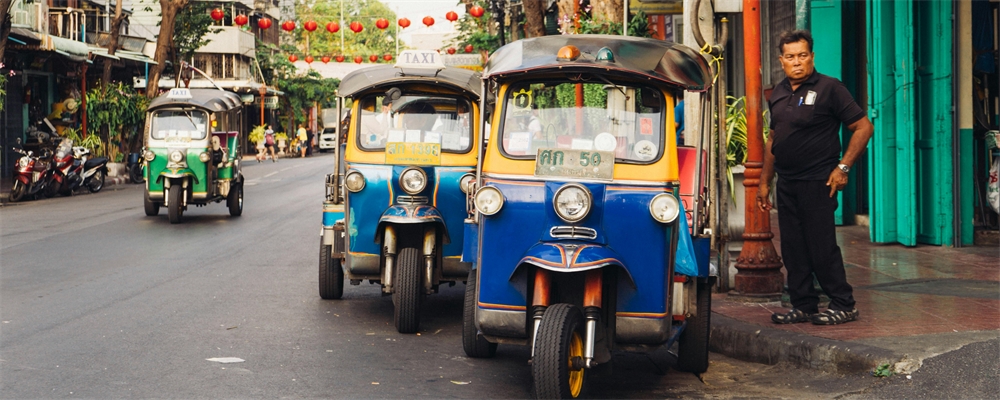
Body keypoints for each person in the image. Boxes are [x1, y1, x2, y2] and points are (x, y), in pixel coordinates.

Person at [757, 30, 874, 326]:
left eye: (802, 55)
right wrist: (764, 182)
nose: (797, 62)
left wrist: (843, 168)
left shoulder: (830, 88)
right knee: (793, 248)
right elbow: (773, 139)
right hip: (787, 182)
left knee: (821, 246)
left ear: (812, 57)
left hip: (819, 181)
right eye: (791, 57)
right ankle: (804, 305)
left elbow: (863, 127)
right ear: (781, 60)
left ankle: (844, 304)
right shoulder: (778, 92)